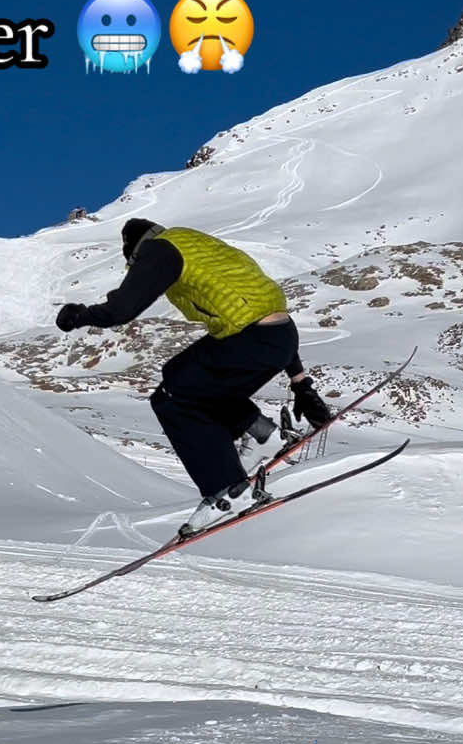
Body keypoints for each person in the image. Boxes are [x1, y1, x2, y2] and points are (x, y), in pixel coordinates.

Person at [56, 219, 333, 533]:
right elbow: (262, 309)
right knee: (181, 376)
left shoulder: (159, 250)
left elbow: (122, 310)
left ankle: (228, 491)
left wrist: (79, 315)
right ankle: (263, 434)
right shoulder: (198, 244)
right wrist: (302, 384)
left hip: (251, 339)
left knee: (171, 398)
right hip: (279, 337)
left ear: (136, 252)